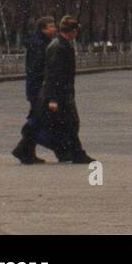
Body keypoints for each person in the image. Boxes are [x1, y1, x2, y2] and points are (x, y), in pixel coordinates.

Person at [38, 15, 94, 164]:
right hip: (61, 93)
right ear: (72, 31)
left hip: (63, 92)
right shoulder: (60, 47)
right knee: (72, 123)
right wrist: (53, 99)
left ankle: (65, 153)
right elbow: (54, 74)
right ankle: (77, 154)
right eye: (76, 31)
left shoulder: (60, 44)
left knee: (65, 124)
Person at [11, 15, 56, 164]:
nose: (54, 29)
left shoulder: (41, 42)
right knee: (38, 120)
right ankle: (23, 149)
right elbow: (39, 68)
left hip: (36, 88)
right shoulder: (40, 44)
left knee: (38, 119)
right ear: (43, 29)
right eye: (51, 26)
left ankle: (27, 151)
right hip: (38, 89)